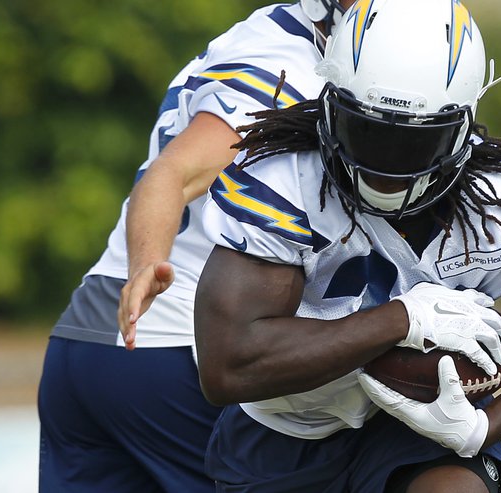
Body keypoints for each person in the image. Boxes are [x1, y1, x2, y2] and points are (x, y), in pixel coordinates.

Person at [193, 0, 501, 491]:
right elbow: (228, 365)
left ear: (463, 126)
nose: (384, 165)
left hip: (424, 428)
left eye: (413, 142)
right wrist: (402, 320)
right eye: (365, 131)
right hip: (288, 431)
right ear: (329, 103)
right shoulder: (285, 178)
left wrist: (482, 429)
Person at [37, 1, 354, 491]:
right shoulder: (286, 66)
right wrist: (148, 265)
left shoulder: (274, 32)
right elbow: (175, 173)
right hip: (171, 346)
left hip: (90, 336)